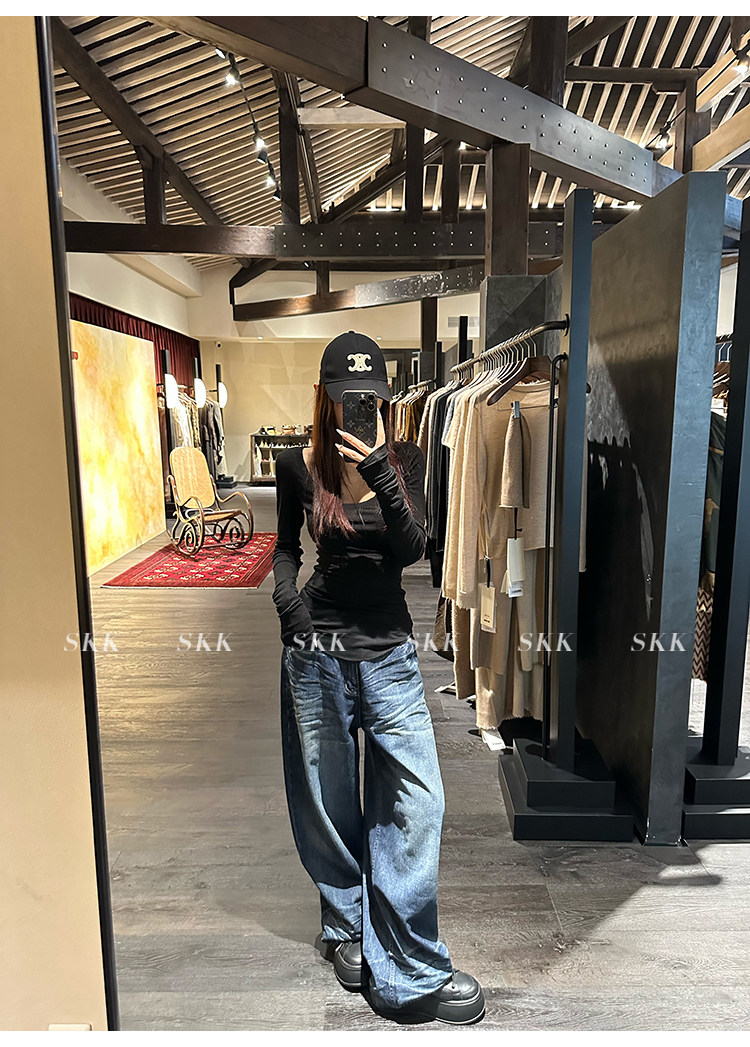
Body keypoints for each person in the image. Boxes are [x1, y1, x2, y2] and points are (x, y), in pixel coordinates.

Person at [271, 331, 485, 1026]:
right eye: (346, 398)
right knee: (328, 800)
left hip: (389, 652)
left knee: (418, 803)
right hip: (318, 652)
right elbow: (284, 551)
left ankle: (410, 963)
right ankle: (347, 927)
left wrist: (384, 473)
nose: (357, 408)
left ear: (385, 399)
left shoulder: (408, 458)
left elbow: (413, 550)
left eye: (369, 398)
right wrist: (288, 605)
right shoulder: (299, 464)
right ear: (325, 397)